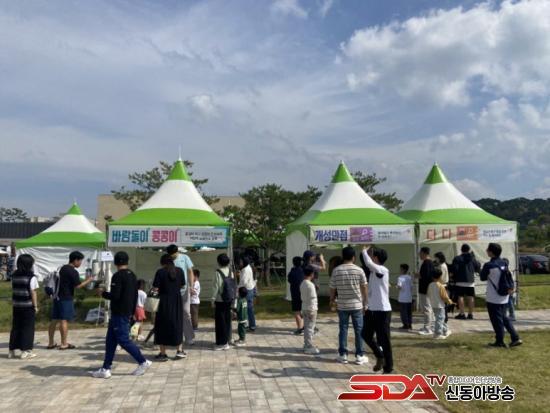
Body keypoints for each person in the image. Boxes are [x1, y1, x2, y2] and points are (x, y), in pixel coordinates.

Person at [91, 251, 151, 378]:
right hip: (126, 312)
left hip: (119, 313)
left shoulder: (117, 276)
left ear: (115, 262)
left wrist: (102, 293)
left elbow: (115, 296)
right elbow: (135, 295)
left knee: (123, 340)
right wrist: (132, 312)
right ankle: (106, 368)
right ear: (127, 261)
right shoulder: (132, 275)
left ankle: (143, 361)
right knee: (110, 341)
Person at [329, 246, 368, 365]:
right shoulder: (359, 270)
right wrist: (365, 302)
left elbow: (332, 288)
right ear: (353, 257)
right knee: (359, 330)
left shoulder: (336, 270)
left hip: (342, 305)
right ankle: (359, 355)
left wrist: (332, 300)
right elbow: (364, 287)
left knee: (343, 329)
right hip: (357, 305)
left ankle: (343, 355)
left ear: (343, 257)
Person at [48, 251, 94, 350]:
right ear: (75, 260)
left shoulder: (62, 268)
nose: (80, 263)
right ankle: (64, 343)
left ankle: (51, 343)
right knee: (64, 320)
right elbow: (78, 286)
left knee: (54, 319)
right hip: (66, 297)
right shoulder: (72, 271)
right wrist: (88, 280)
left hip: (56, 296)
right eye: (80, 261)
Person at [480, 243, 522, 348]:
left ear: (491, 252)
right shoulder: (504, 263)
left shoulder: (489, 265)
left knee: (496, 320)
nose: (486, 251)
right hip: (504, 295)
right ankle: (515, 337)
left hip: (493, 297)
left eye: (488, 249)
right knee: (504, 317)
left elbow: (482, 277)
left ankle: (500, 341)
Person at [361, 246, 393, 373]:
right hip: (372, 309)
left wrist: (364, 251)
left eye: (372, 256)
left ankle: (388, 367)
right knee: (365, 334)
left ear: (376, 258)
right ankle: (380, 355)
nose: (370, 258)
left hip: (383, 311)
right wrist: (366, 305)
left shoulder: (383, 270)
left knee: (384, 340)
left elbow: (368, 263)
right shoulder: (373, 272)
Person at [153, 254, 186, 360]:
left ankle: (163, 353)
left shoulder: (160, 272)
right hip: (176, 301)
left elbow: (155, 287)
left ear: (162, 262)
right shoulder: (180, 271)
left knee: (161, 325)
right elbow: (182, 285)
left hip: (163, 301)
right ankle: (179, 350)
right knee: (177, 324)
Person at [8, 254, 39, 359]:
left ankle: (11, 350)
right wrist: (35, 306)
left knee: (16, 327)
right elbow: (33, 292)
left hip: (16, 305)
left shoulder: (14, 275)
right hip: (27, 306)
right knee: (28, 328)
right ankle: (26, 350)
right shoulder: (31, 277)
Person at [167, 244, 195, 346]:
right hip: (172, 291)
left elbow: (190, 271)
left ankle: (189, 337)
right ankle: (173, 337)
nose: (172, 256)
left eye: (173, 254)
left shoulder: (185, 257)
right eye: (170, 254)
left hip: (184, 290)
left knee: (186, 313)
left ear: (177, 252)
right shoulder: (168, 260)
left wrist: (191, 286)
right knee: (172, 314)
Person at [450, 244, 481, 320]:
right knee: (471, 297)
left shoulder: (457, 258)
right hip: (470, 281)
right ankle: (470, 314)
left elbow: (454, 269)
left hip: (460, 280)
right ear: (469, 250)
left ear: (461, 250)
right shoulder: (472, 258)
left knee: (460, 297)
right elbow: (477, 266)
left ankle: (462, 313)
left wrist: (453, 276)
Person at [212, 253, 234, 351]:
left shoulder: (217, 273)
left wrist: (212, 299)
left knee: (220, 322)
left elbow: (215, 287)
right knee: (227, 320)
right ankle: (227, 340)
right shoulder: (230, 271)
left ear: (219, 262)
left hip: (220, 300)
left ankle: (222, 343)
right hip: (229, 299)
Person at [428, 268, 454, 339]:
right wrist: (450, 301)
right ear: (440, 277)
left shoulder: (430, 285)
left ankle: (445, 330)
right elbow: (444, 296)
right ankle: (437, 334)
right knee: (440, 319)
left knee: (440, 318)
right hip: (440, 305)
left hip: (433, 304)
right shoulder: (441, 286)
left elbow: (428, 294)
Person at [301, 266, 319, 355]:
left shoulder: (302, 283)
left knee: (307, 327)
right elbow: (312, 298)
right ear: (312, 274)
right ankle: (308, 346)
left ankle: (306, 344)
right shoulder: (310, 285)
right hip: (311, 309)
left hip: (305, 307)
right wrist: (312, 311)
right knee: (310, 328)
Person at [416, 247, 435, 335]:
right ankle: (431, 326)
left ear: (424, 253)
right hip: (428, 288)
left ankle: (427, 328)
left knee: (427, 309)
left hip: (425, 289)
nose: (419, 255)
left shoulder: (427, 263)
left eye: (420, 253)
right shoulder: (429, 262)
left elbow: (426, 276)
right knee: (429, 308)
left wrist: (418, 275)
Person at [238, 256, 256, 332]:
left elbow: (244, 282)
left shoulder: (245, 270)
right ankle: (251, 325)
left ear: (244, 262)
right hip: (249, 289)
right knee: (249, 309)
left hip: (247, 290)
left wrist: (237, 288)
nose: (240, 263)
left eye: (241, 262)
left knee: (248, 309)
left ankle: (251, 326)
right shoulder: (247, 267)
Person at [287, 256, 304, 335]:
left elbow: (289, 280)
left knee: (297, 311)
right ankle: (306, 326)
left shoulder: (292, 272)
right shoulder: (303, 271)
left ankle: (300, 328)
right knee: (304, 311)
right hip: (304, 294)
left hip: (295, 294)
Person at [434, 252, 451, 322]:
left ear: (439, 258)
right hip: (443, 285)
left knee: (442, 304)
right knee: (443, 303)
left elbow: (441, 277)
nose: (435, 259)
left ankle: (444, 318)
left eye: (436, 258)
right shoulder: (443, 265)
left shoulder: (442, 266)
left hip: (442, 285)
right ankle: (443, 318)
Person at [397, 263, 413, 330]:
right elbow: (411, 287)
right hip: (409, 298)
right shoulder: (409, 277)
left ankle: (405, 325)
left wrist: (397, 287)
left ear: (403, 270)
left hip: (402, 298)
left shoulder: (400, 278)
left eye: (400, 269)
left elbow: (399, 286)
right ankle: (410, 324)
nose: (399, 270)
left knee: (403, 312)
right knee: (409, 312)